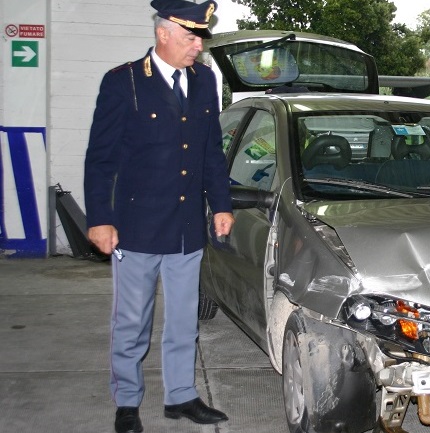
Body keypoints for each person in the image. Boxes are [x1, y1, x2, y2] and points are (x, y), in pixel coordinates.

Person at [83, 1, 234, 432]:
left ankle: (181, 396)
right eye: (190, 37)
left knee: (184, 321)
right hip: (137, 227)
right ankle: (127, 401)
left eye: (201, 37)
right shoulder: (124, 83)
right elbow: (101, 160)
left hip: (187, 227)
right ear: (163, 34)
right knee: (132, 322)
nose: (198, 47)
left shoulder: (205, 80)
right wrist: (100, 218)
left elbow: (210, 152)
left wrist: (221, 205)